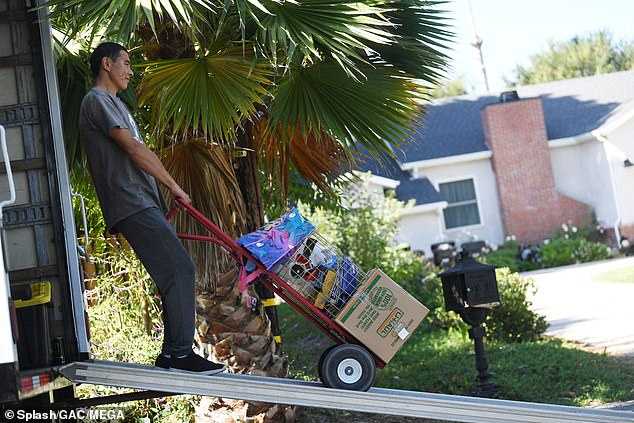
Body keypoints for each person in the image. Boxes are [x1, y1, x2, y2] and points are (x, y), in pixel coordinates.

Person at [79, 42, 225, 375]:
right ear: (106, 64)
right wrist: (174, 185)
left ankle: (172, 355)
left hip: (143, 201)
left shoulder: (114, 104)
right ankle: (178, 354)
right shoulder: (98, 101)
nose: (130, 71)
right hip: (131, 202)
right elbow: (132, 149)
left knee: (172, 272)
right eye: (126, 63)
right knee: (180, 269)